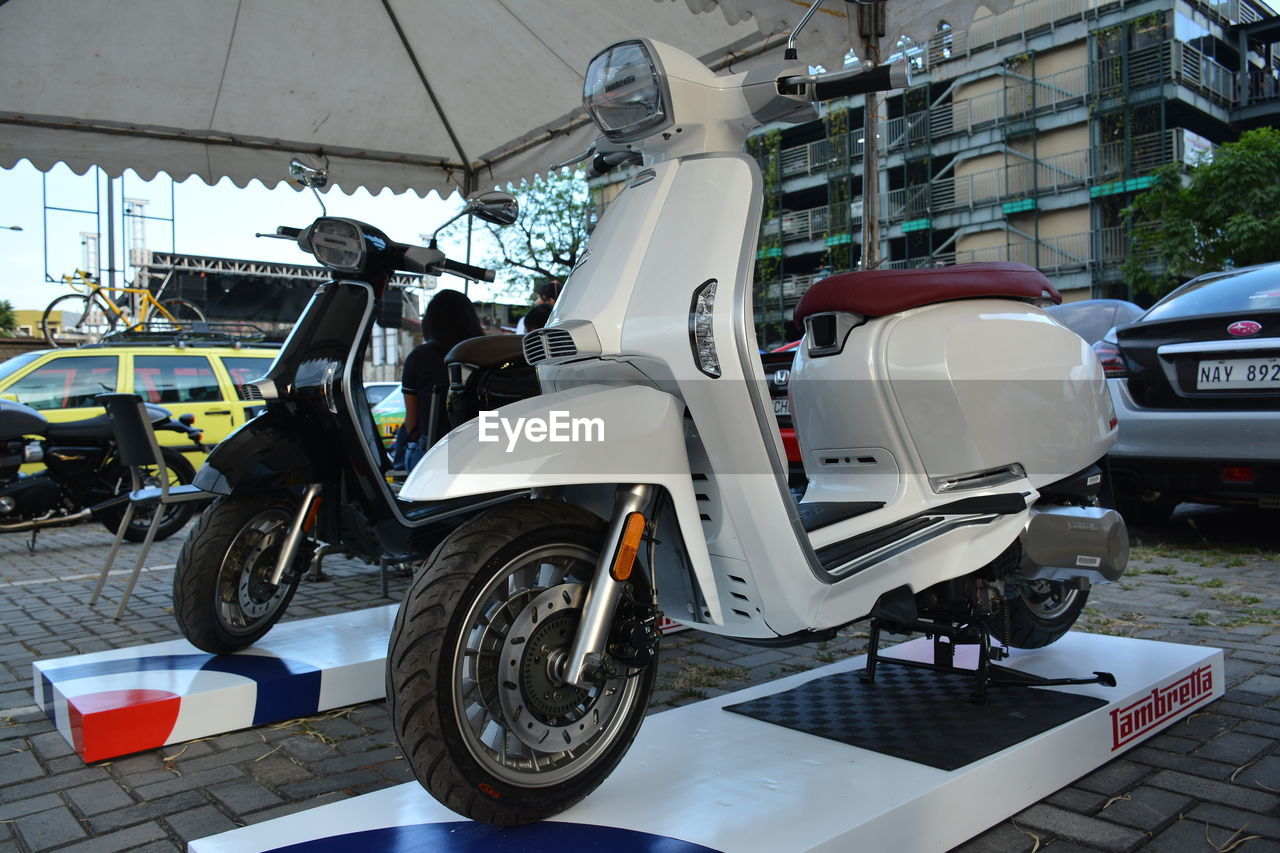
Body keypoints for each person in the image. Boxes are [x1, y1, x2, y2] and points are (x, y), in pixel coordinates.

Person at [398, 289, 483, 470]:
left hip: (433, 455)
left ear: (430, 322)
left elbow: (412, 424)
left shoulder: (418, 358)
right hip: (480, 451)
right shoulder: (486, 354)